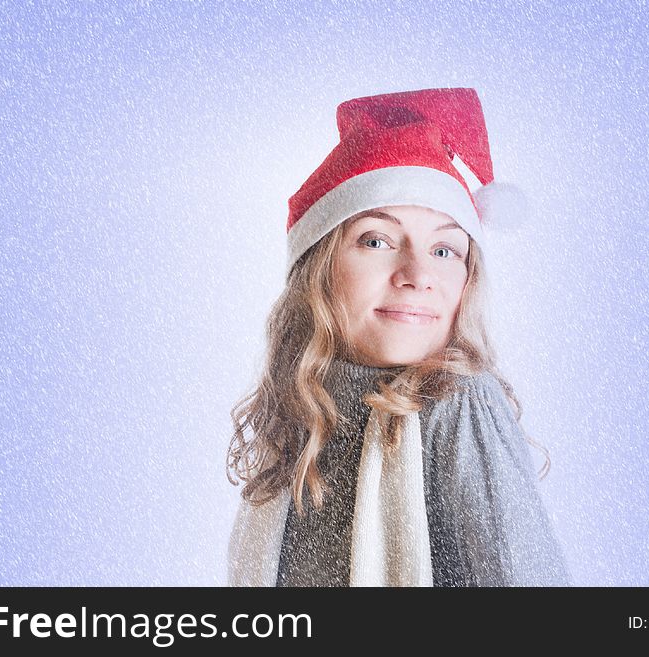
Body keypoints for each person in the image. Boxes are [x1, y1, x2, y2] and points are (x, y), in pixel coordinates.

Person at [225, 88, 571, 587]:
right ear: (316, 270)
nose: (417, 274)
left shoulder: (458, 406)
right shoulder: (297, 420)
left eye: (445, 250)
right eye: (377, 240)